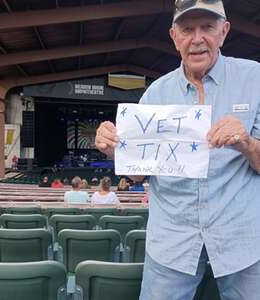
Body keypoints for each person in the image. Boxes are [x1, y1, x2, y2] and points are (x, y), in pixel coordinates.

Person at [95, 1, 260, 299]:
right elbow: (136, 178)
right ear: (174, 36)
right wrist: (114, 150)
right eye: (187, 29)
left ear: (224, 32)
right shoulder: (155, 93)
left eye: (207, 27)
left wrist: (247, 143)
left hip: (242, 239)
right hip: (172, 241)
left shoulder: (254, 79)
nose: (197, 38)